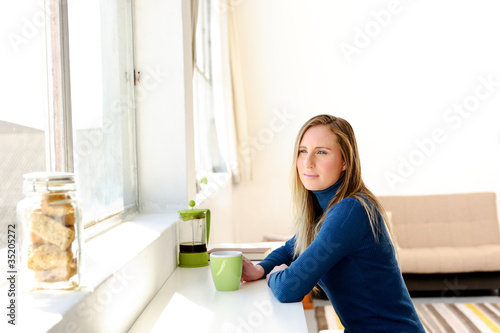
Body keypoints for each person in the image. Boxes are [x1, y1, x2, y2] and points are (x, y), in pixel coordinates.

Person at [241, 114, 425, 332]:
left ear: (345, 161)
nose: (307, 163)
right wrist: (260, 269)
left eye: (321, 152)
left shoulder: (351, 211)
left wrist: (274, 276)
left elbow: (288, 288)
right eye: (303, 151)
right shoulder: (326, 210)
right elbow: (291, 249)